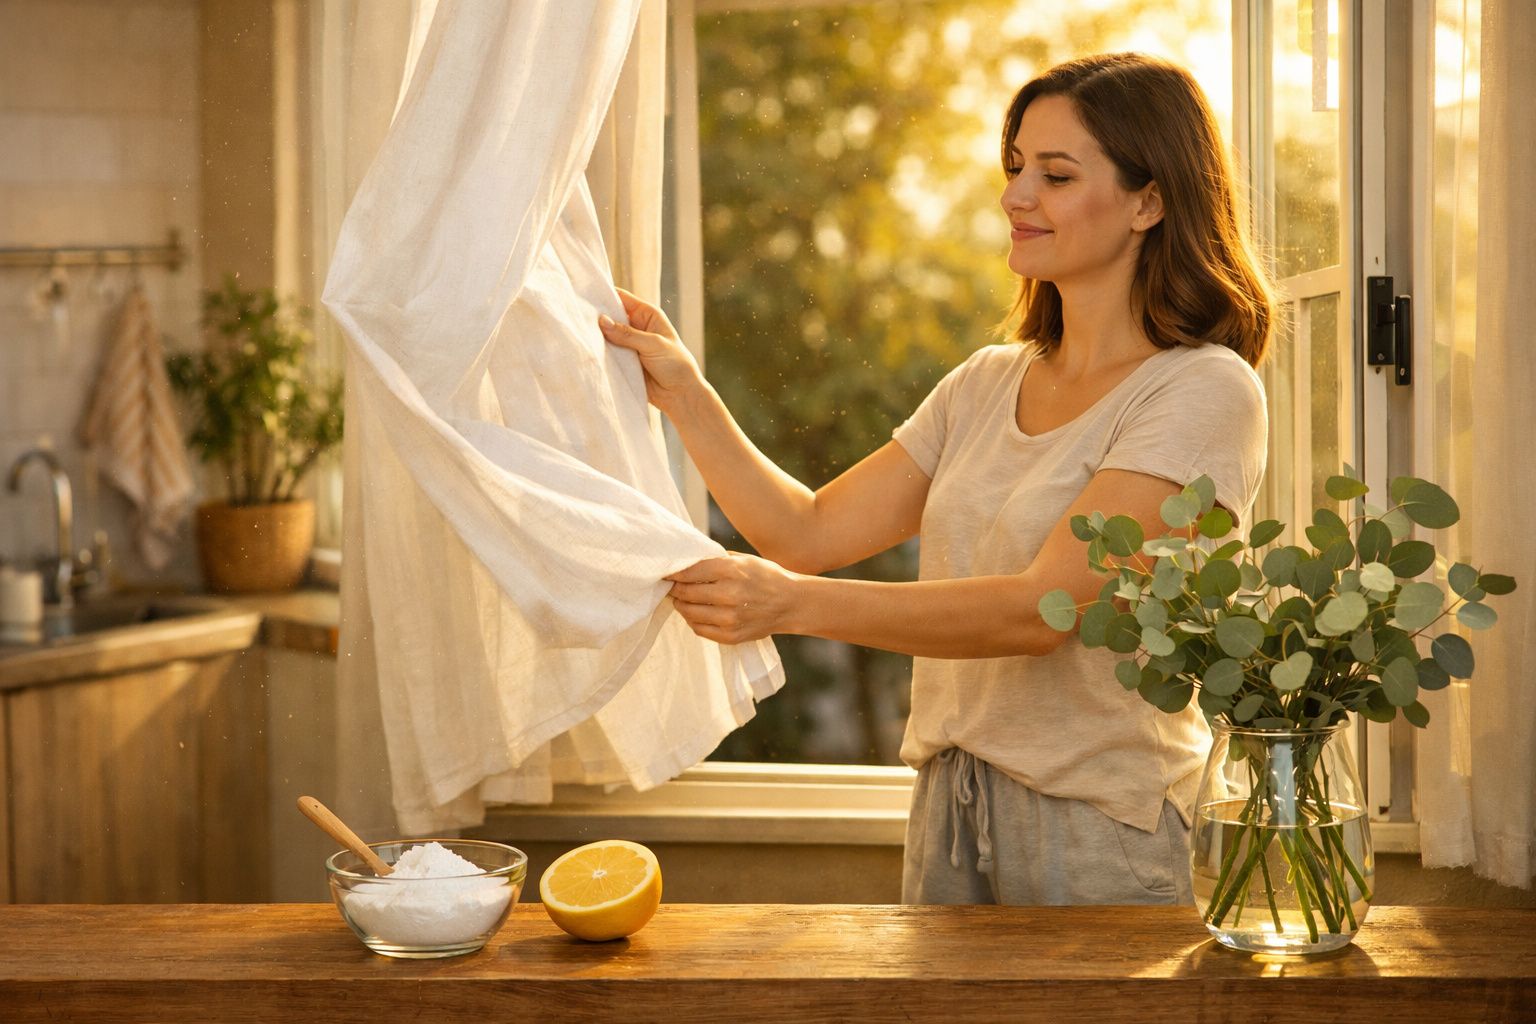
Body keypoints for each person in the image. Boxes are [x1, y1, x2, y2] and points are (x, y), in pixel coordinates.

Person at [598, 52, 1271, 906]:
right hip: (951, 804)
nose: (1017, 197)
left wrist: (791, 604)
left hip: (1100, 823)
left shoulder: (1201, 388)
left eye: (1056, 175)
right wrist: (684, 391)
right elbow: (804, 532)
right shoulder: (985, 384)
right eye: (1017, 167)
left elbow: (1042, 611)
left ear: (1151, 200)